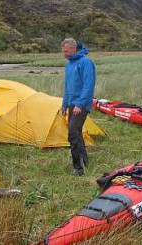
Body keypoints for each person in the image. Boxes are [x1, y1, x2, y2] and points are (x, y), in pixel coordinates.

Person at [60, 38, 96, 176]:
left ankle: (78, 167)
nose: (64, 54)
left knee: (73, 132)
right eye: (63, 51)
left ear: (74, 49)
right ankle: (83, 161)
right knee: (76, 132)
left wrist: (80, 104)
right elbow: (68, 87)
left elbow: (88, 85)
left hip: (81, 104)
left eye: (66, 51)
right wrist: (65, 104)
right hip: (71, 103)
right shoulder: (69, 64)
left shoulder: (86, 62)